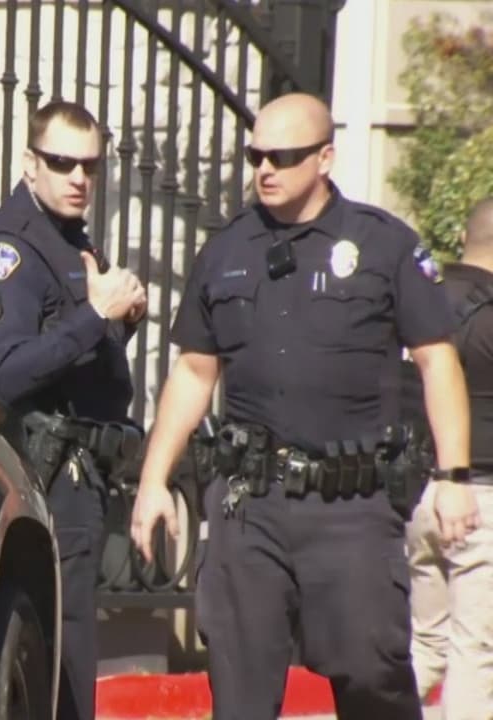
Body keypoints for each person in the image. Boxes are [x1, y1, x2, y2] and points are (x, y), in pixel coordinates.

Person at [129, 91, 479, 720]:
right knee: (239, 686)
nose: (265, 169)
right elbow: (194, 371)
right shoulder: (227, 249)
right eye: (255, 156)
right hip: (249, 502)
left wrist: (454, 477)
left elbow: (437, 360)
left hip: (352, 503)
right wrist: (154, 481)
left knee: (372, 670)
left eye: (283, 157)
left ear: (324, 158)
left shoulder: (383, 245)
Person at [0, 99, 147, 720]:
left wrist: (119, 323)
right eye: (62, 162)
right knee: (58, 661)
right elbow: (10, 371)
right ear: (29, 163)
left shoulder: (70, 239)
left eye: (89, 166)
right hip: (45, 475)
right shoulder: (9, 248)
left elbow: (78, 364)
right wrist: (96, 314)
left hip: (82, 477)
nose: (78, 178)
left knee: (70, 653)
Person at [407, 197, 493, 719]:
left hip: (422, 494)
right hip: (479, 499)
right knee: (474, 652)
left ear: (465, 238)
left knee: (426, 643)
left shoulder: (421, 300)